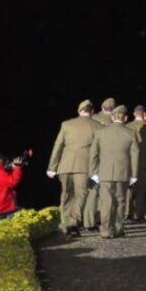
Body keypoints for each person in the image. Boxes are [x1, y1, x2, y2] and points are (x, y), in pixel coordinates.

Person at [47, 99, 103, 237]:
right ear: (92, 112)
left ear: (79, 111)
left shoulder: (66, 124)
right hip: (84, 167)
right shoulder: (98, 126)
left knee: (66, 194)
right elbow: (99, 150)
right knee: (80, 195)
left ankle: (65, 223)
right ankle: (72, 224)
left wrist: (52, 167)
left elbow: (57, 147)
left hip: (64, 166)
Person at [89, 105, 139, 239]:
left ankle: (105, 231)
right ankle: (118, 229)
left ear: (112, 117)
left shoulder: (101, 132)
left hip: (104, 172)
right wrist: (134, 175)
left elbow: (93, 153)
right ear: (126, 118)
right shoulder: (131, 133)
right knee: (120, 201)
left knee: (106, 202)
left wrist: (93, 171)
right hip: (123, 172)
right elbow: (135, 155)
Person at [83, 97, 116, 231]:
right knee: (97, 191)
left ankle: (89, 220)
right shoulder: (112, 122)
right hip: (102, 159)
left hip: (88, 158)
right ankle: (91, 221)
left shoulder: (93, 118)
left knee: (91, 191)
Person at [126, 105, 146, 220]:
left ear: (134, 114)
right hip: (144, 162)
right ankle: (138, 213)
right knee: (142, 189)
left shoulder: (128, 126)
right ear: (144, 114)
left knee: (129, 189)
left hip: (130, 161)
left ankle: (126, 212)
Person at [0, 151, 23, 227]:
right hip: (4, 209)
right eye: (1, 158)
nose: (3, 160)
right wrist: (17, 168)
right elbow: (13, 182)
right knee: (22, 219)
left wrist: (12, 166)